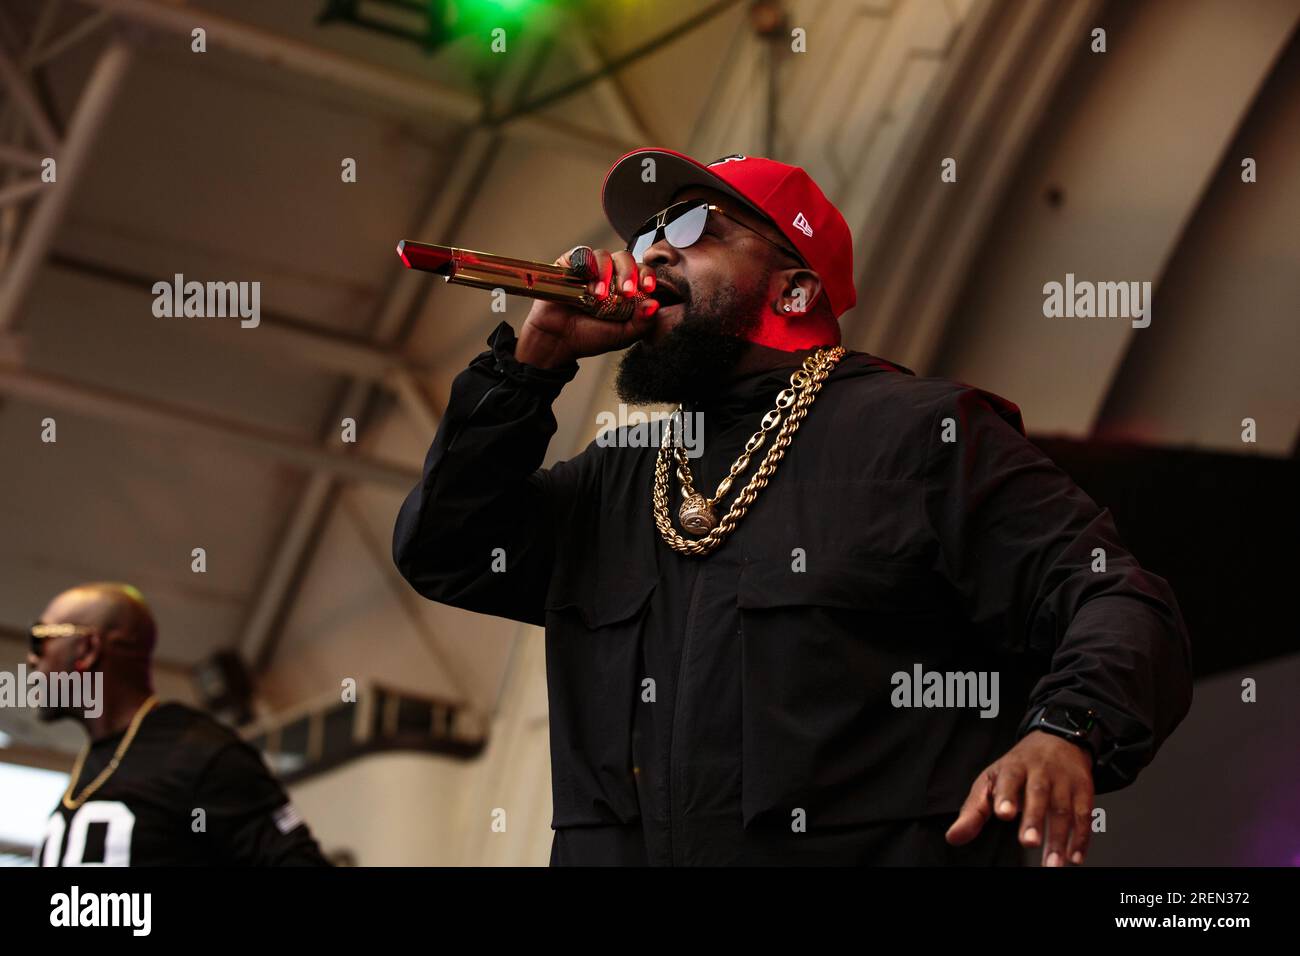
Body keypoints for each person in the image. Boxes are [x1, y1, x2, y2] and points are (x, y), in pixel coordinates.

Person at [392, 148, 1193, 866]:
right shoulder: (622, 475)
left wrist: (1068, 731)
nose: (655, 252)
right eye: (645, 240)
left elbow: (1115, 597)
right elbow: (447, 548)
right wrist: (533, 365)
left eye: (698, 224)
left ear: (796, 284)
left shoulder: (919, 435)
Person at [28, 582, 329, 866]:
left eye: (40, 640)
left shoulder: (200, 753)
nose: (31, 660)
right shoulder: (95, 761)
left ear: (87, 649)